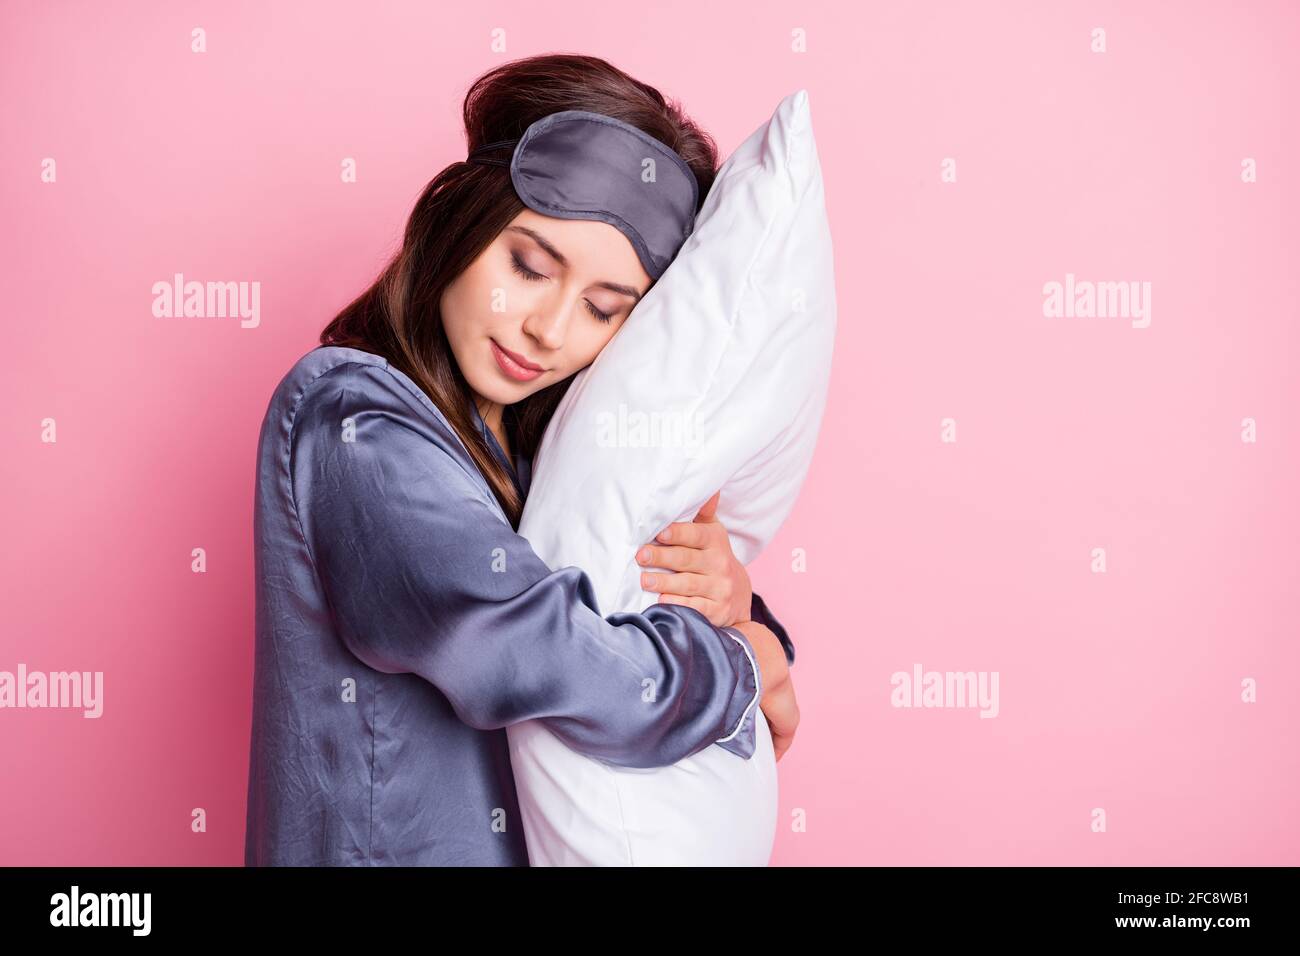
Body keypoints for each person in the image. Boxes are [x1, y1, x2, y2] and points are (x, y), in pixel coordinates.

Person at [244, 53, 799, 867]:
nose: (547, 328)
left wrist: (738, 602)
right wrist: (741, 667)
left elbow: (623, 614)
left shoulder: (545, 460)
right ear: (459, 217)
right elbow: (529, 646)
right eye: (529, 267)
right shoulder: (353, 421)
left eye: (604, 309)